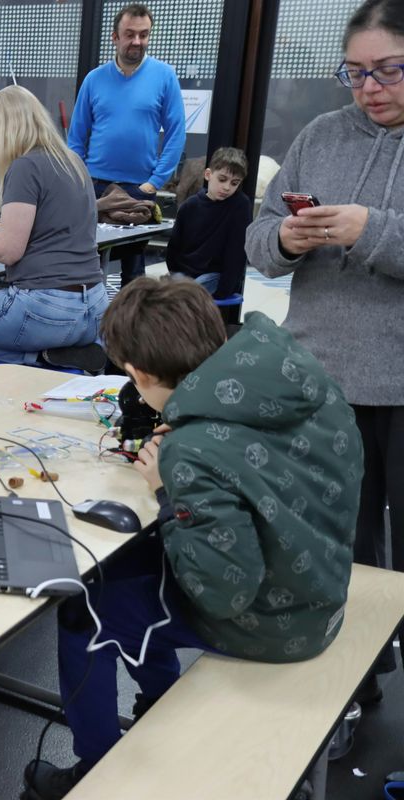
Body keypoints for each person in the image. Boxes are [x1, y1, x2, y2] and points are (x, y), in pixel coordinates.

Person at [22, 277, 362, 799]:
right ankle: (157, 702)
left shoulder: (193, 452)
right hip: (322, 579)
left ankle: (95, 767)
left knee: (86, 609)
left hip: (276, 621)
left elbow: (221, 594)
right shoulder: (296, 372)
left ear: (138, 373)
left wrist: (168, 489)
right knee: (139, 568)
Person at [245, 0, 404, 700]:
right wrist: (283, 241)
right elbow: (256, 238)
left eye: (389, 70)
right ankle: (350, 691)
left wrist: (371, 229)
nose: (370, 87)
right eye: (356, 73)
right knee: (335, 552)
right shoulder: (321, 135)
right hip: (322, 382)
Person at [0, 86, 106, 365]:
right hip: (95, 309)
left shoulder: (25, 167)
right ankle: (56, 356)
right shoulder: (73, 161)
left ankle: (39, 359)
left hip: (47, 309)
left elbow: (7, 251)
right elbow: (47, 227)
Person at [68, 3, 186, 285]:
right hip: (95, 185)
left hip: (139, 189)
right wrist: (80, 178)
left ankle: (130, 328)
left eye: (144, 35)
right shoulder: (94, 79)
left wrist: (155, 182)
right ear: (115, 37)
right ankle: (90, 325)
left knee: (133, 271)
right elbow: (75, 137)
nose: (137, 41)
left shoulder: (164, 76)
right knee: (88, 263)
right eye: (130, 34)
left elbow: (176, 133)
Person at [166, 147, 253, 298]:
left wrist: (223, 291)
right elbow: (174, 247)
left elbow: (237, 253)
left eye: (234, 183)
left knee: (183, 296)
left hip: (215, 276)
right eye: (222, 179)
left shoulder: (240, 205)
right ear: (208, 174)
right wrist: (175, 275)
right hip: (185, 274)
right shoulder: (190, 206)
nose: (227, 187)